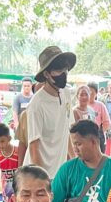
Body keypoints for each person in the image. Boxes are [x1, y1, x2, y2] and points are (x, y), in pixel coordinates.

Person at [22, 46, 76, 177]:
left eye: (65, 69)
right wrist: (43, 180)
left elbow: (67, 132)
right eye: (58, 70)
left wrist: (76, 162)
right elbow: (34, 146)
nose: (63, 73)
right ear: (46, 74)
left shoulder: (66, 94)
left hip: (59, 173)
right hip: (38, 174)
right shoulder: (36, 105)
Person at [0, 122, 19, 198]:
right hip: (5, 187)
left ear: (9, 138)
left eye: (2, 141)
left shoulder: (18, 152)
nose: (0, 145)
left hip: (18, 185)